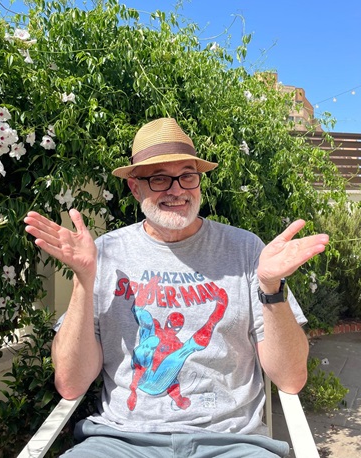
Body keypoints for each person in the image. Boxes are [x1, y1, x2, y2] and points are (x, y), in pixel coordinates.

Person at [24, 118, 329, 457]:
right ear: (135, 188)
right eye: (159, 178)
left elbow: (290, 378)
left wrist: (271, 287)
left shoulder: (245, 250)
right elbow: (71, 383)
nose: (177, 190)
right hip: (122, 443)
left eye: (187, 175)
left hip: (230, 444)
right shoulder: (105, 254)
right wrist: (84, 279)